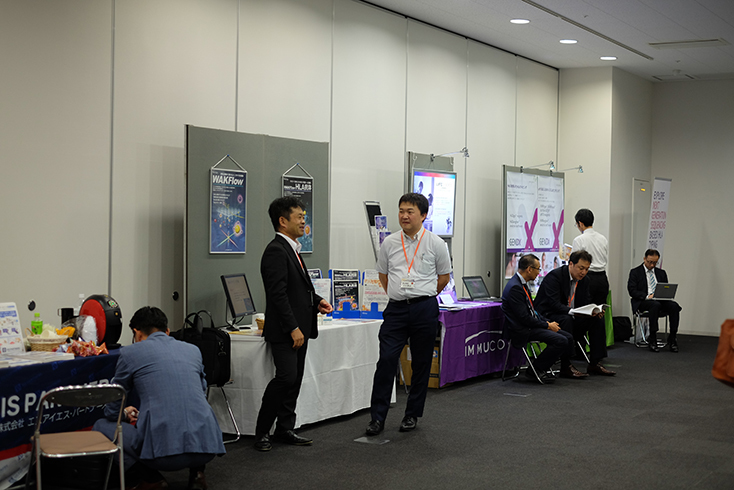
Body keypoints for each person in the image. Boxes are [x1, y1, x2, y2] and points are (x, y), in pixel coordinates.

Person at [93, 306, 225, 490]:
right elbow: (199, 392)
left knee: (101, 426)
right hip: (207, 447)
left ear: (137, 333)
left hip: (163, 456)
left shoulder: (130, 353)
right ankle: (197, 474)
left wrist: (124, 415)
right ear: (167, 331)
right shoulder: (193, 350)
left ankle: (151, 479)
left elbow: (113, 406)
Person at [366, 193, 452, 435]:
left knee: (421, 362)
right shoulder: (390, 242)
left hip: (424, 308)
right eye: (401, 211)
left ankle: (412, 414)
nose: (404, 216)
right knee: (386, 360)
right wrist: (398, 294)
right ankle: (377, 418)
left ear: (423, 215)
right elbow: (383, 274)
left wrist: (423, 294)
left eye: (410, 211)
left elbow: (444, 277)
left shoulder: (436, 243)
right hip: (396, 309)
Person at [254, 196, 333, 451]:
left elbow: (298, 288)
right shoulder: (276, 250)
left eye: (303, 217)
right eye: (299, 217)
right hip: (286, 330)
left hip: (300, 327)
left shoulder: (293, 249)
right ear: (282, 220)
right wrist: (293, 327)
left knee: (295, 379)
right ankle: (262, 431)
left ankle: (285, 428)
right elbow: (277, 294)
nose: (303, 222)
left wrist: (317, 301)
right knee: (286, 378)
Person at [535, 250, 616, 376]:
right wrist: (573, 312)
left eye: (587, 269)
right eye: (581, 268)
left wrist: (592, 311)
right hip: (550, 317)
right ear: (571, 264)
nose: (583, 272)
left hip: (573, 316)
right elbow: (553, 304)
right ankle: (566, 365)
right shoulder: (555, 277)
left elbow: (585, 301)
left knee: (597, 319)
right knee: (566, 319)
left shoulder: (585, 280)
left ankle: (595, 363)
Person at [501, 254, 580, 383]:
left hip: (529, 325)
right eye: (538, 269)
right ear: (529, 269)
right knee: (561, 340)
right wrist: (547, 325)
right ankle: (535, 370)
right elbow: (524, 318)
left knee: (567, 337)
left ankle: (560, 366)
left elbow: (532, 312)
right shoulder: (515, 288)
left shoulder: (521, 284)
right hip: (521, 330)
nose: (539, 272)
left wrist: (546, 322)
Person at [627, 249, 682, 352]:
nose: (652, 265)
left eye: (655, 263)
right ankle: (652, 337)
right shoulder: (635, 272)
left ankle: (673, 337)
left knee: (674, 306)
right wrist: (647, 296)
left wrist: (663, 295)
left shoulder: (661, 273)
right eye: (650, 262)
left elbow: (664, 288)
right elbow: (632, 291)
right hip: (643, 301)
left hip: (659, 300)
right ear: (644, 259)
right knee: (655, 305)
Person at [571, 209, 610, 306]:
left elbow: (574, 261)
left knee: (584, 309)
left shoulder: (579, 240)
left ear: (580, 223)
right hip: (602, 278)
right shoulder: (603, 239)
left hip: (586, 278)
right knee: (599, 310)